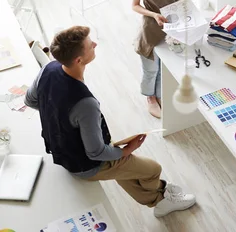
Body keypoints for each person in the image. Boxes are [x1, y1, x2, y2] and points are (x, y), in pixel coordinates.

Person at [24, 26, 196, 218]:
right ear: (78, 60)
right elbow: (96, 152)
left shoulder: (49, 68)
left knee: (126, 170)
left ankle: (158, 200)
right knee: (153, 170)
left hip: (61, 151)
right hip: (86, 165)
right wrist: (127, 150)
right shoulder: (85, 103)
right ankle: (161, 194)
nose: (95, 44)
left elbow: (30, 100)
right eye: (90, 45)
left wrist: (58, 117)